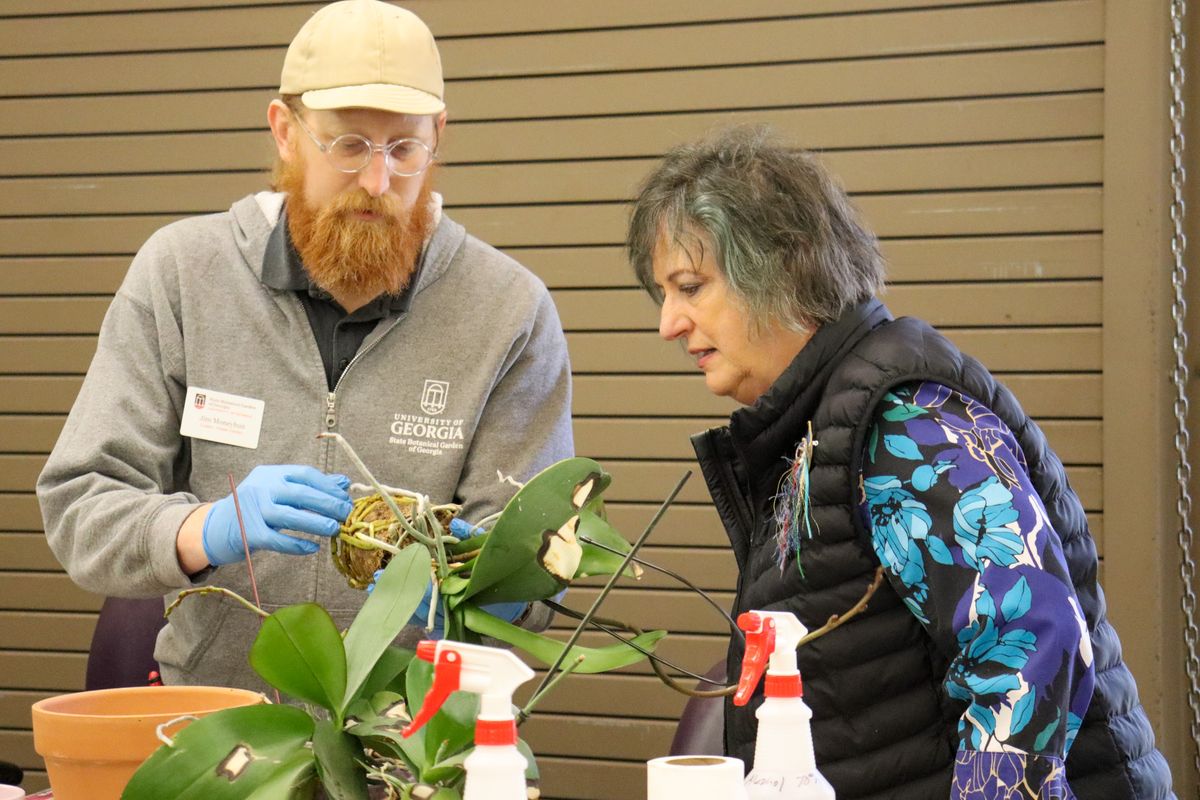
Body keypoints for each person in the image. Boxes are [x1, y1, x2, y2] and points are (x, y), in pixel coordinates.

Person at [37, 0, 572, 692]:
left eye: (404, 148)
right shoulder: (181, 275)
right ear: (285, 131)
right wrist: (206, 528)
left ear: (439, 136)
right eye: (348, 145)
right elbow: (81, 505)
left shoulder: (508, 312)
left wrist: (489, 588)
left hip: (413, 744)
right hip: (220, 732)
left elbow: (538, 579)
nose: (378, 183)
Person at [627, 126, 1174, 799]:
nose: (669, 324)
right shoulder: (822, 423)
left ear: (783, 265)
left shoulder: (903, 423)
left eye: (690, 287)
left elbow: (1031, 641)